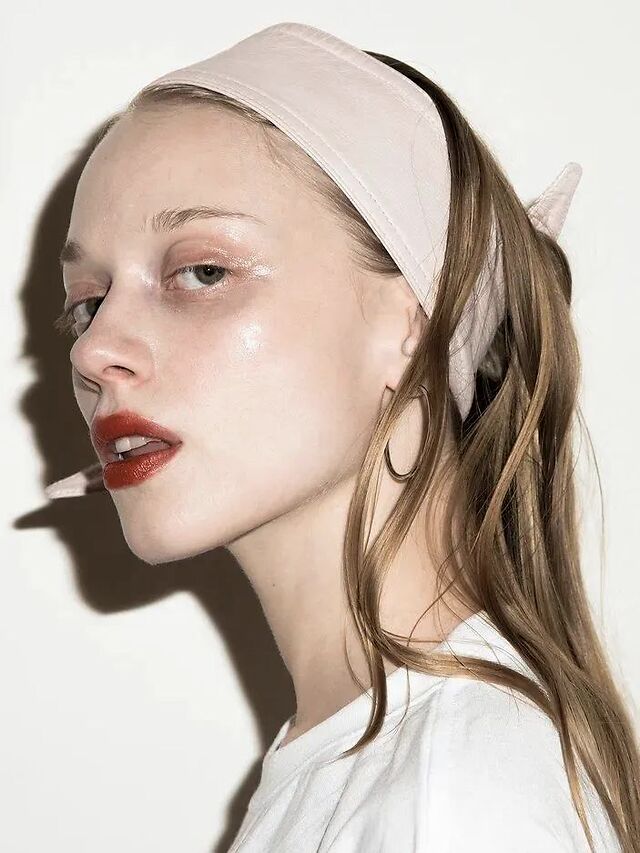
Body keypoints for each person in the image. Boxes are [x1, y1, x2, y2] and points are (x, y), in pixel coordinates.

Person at [46, 22, 637, 852]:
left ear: (412, 321)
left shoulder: (456, 791)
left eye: (203, 271)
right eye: (87, 303)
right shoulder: (387, 768)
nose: (94, 350)